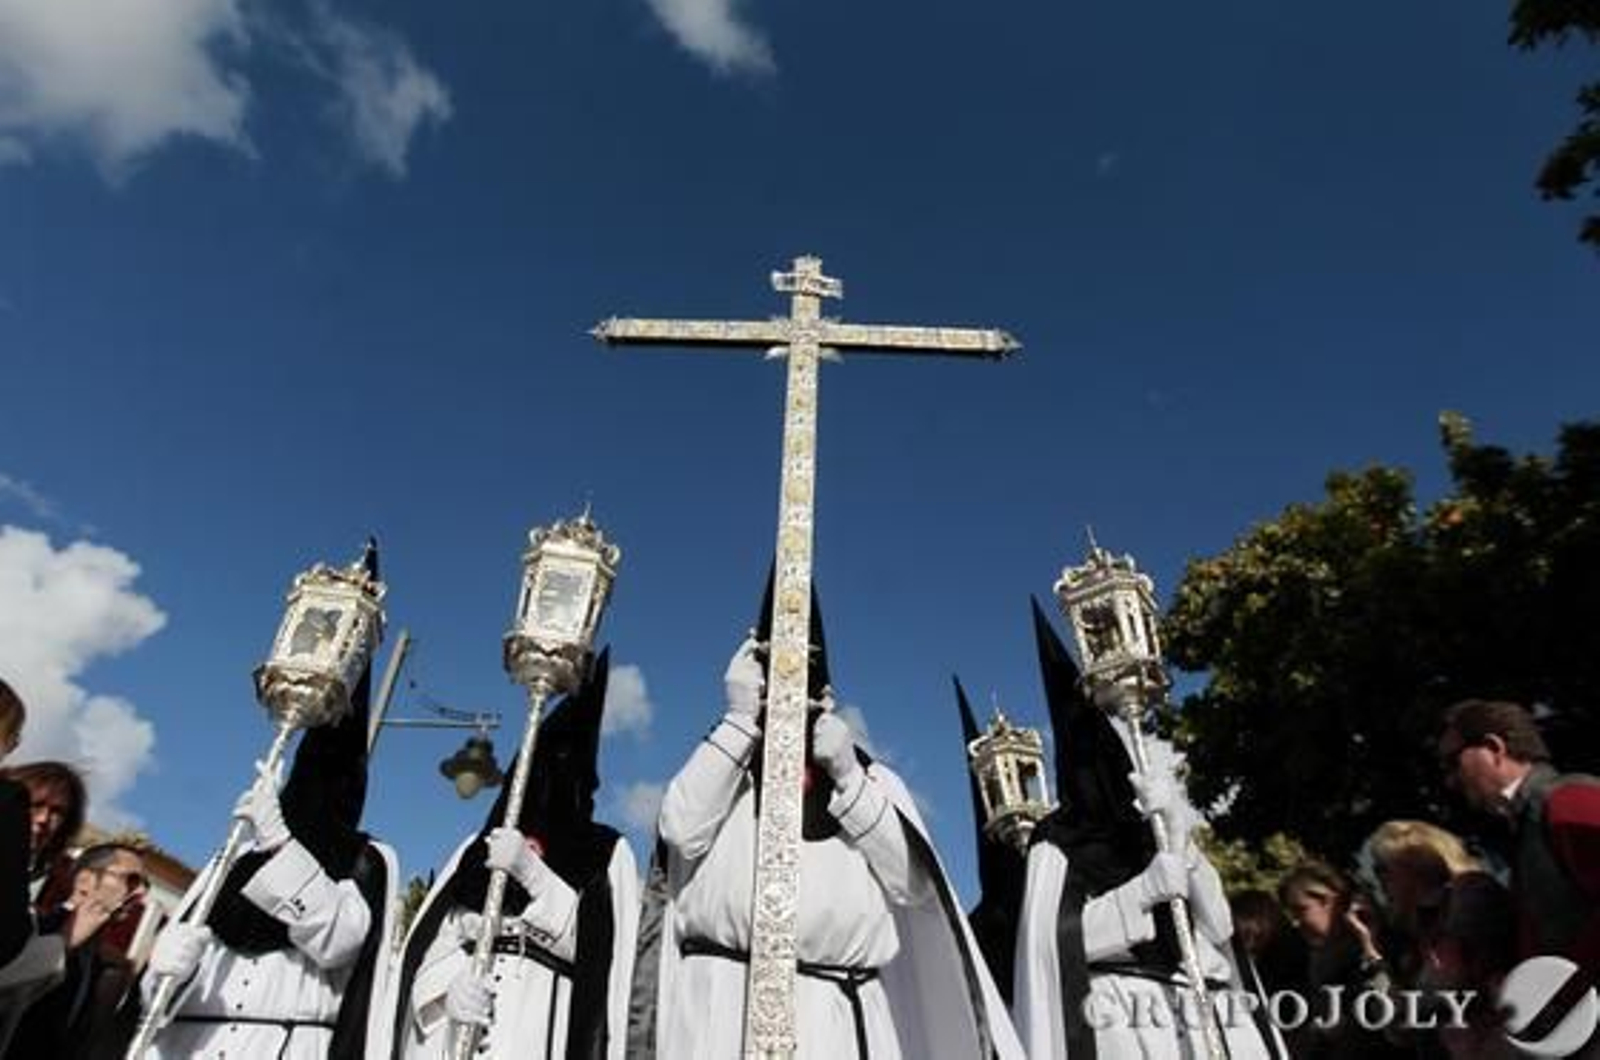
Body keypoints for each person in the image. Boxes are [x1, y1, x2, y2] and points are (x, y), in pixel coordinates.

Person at [635, 575, 1022, 1059]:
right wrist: (738, 720)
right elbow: (680, 830)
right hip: (720, 1014)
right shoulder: (724, 765)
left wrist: (848, 777)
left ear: (828, 693)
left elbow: (917, 887)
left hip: (837, 1021)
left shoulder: (870, 780)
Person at [141, 544, 396, 1060]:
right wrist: (164, 975)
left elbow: (340, 940)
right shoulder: (236, 854)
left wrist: (280, 842)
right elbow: (158, 999)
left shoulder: (367, 860)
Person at [1012, 598, 1270, 1060]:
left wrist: (1181, 840)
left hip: (1211, 1008)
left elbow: (1219, 925)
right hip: (1127, 1017)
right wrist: (1140, 893)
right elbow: (1051, 945)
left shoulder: (1150, 822)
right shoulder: (1056, 840)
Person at [388, 648, 639, 1059]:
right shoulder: (477, 847)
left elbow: (604, 956)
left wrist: (533, 874)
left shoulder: (603, 852)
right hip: (458, 1035)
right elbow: (439, 941)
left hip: (540, 1031)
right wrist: (447, 991)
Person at [1436, 700, 1600, 971]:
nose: (1450, 780)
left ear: (1494, 748)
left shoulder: (1568, 798)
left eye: (1453, 762)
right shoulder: (1527, 821)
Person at [4, 842, 147, 1059]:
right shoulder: (27, 930)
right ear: (84, 881)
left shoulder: (102, 967)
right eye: (132, 880)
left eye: (145, 885)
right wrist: (61, 945)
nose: (140, 893)